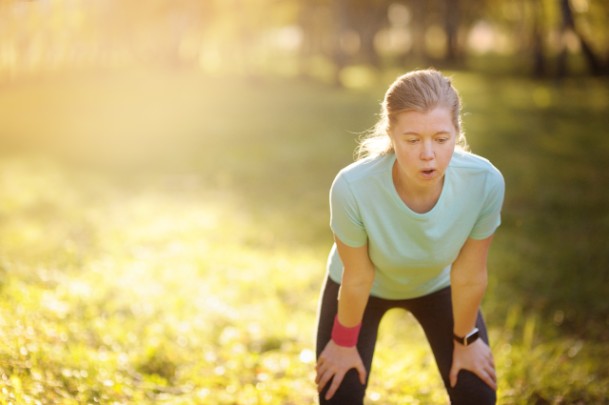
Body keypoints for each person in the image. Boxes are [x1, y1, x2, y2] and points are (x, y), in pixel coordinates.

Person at [314, 69, 505, 404]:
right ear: (392, 135)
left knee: (477, 394)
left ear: (457, 133)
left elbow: (470, 274)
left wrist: (466, 340)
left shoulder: (484, 181)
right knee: (337, 392)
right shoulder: (352, 187)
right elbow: (358, 277)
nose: (428, 154)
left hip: (438, 285)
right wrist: (343, 343)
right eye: (413, 140)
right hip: (361, 290)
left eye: (441, 139)